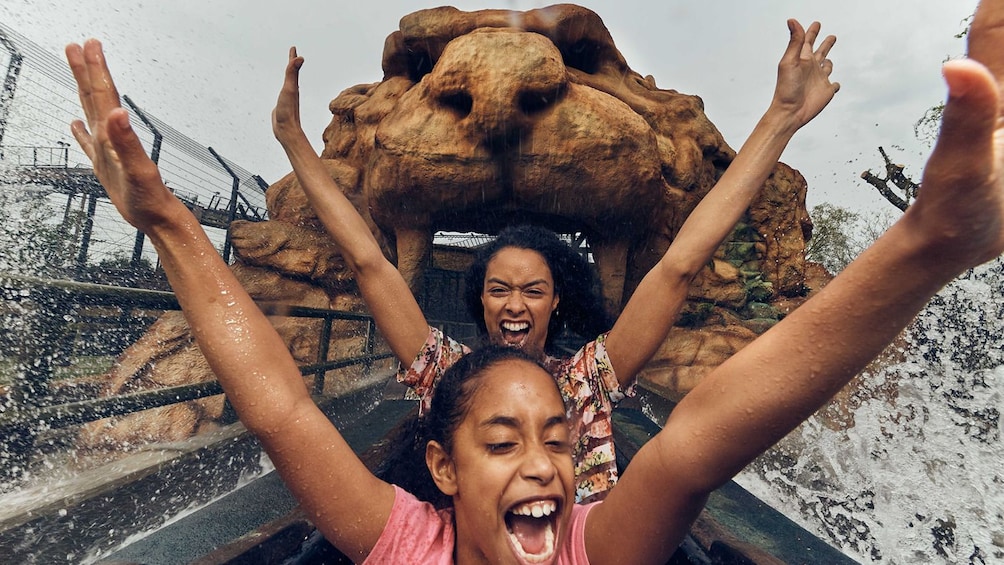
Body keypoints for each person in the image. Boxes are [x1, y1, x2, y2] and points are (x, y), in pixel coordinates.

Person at [64, 0, 1004, 560]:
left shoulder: (594, 422)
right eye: (506, 438)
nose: (543, 458)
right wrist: (181, 214)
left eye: (551, 436)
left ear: (559, 303)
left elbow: (691, 359)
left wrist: (917, 236)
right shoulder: (427, 450)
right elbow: (287, 395)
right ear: (441, 463)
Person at [271, 18, 841, 503]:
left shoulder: (589, 383)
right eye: (499, 289)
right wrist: (293, 139)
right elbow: (370, 263)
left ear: (557, 300)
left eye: (532, 290)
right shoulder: (446, 377)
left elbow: (679, 267)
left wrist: (780, 119)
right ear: (481, 300)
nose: (514, 304)